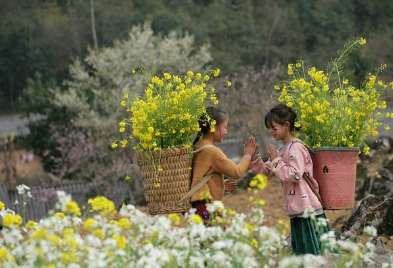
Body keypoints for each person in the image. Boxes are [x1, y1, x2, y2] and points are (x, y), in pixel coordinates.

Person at [249, 103, 332, 255]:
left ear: (286, 125)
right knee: (303, 250)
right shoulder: (282, 151)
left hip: (308, 207)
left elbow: (295, 174)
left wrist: (276, 161)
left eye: (273, 127)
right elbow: (265, 173)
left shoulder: (297, 148)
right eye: (269, 127)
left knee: (314, 252)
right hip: (297, 207)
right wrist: (253, 157)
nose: (270, 131)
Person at [190, 106, 257, 226]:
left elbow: (201, 176)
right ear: (213, 127)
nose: (226, 132)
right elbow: (236, 172)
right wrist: (247, 155)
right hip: (207, 204)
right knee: (214, 241)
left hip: (198, 204)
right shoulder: (212, 152)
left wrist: (219, 185)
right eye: (224, 127)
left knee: (206, 241)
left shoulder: (198, 146)